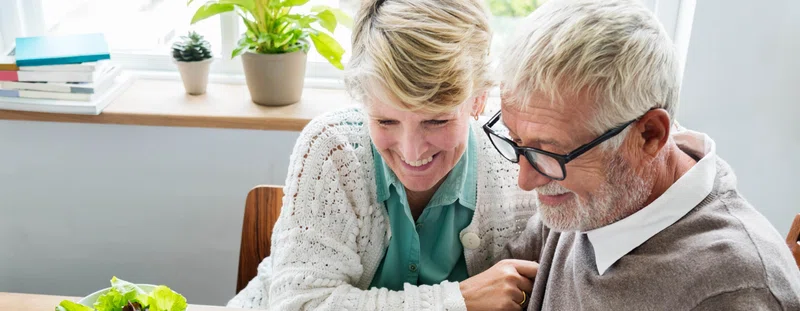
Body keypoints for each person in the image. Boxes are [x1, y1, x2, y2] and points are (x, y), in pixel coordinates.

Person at [486, 0, 800, 309]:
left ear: (650, 135)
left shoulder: (736, 291)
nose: (525, 180)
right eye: (516, 141)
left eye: (549, 153)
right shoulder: (576, 195)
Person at [227, 0, 538, 309]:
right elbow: (299, 304)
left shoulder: (519, 167)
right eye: (386, 120)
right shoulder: (333, 148)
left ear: (478, 100)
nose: (411, 151)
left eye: (436, 120)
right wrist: (459, 302)